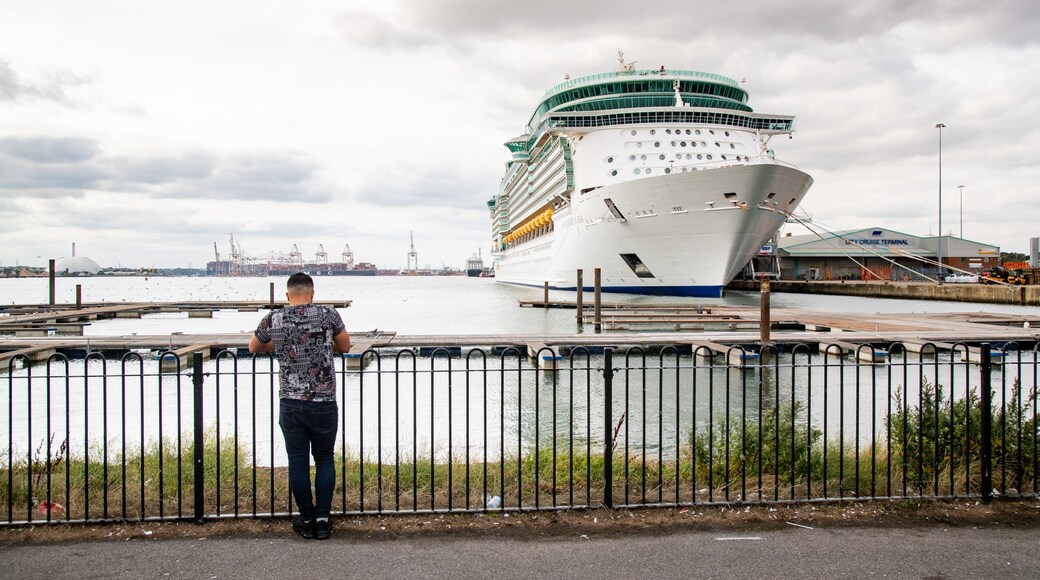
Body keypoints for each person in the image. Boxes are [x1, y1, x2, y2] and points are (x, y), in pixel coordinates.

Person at [249, 273, 351, 540]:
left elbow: (253, 347)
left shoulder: (274, 318)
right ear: (312, 293)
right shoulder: (328, 315)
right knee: (325, 459)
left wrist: (284, 344)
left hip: (290, 402)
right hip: (323, 401)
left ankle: (306, 520)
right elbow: (345, 345)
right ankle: (323, 520)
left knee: (297, 462)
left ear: (287, 295)